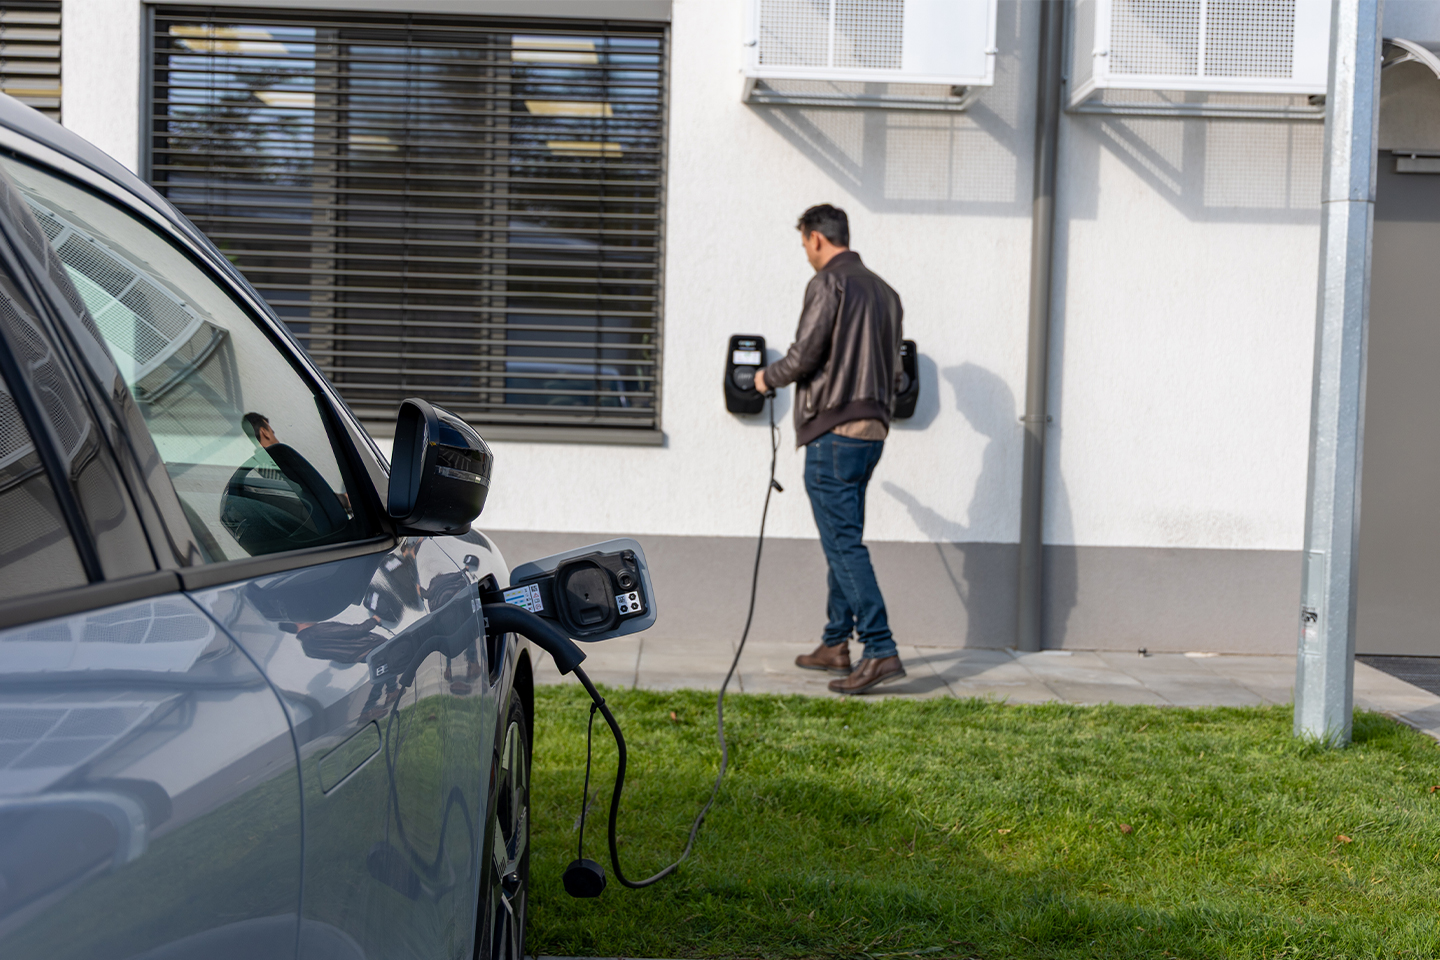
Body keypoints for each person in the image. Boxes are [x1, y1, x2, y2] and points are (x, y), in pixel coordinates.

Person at [754, 204, 906, 695]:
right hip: (872, 431)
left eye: (804, 243)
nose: (805, 253)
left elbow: (805, 356)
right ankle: (836, 642)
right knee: (845, 535)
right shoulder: (886, 293)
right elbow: (897, 375)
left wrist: (765, 377)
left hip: (833, 430)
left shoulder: (828, 283)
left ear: (816, 238)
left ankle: (879, 648)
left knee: (843, 543)